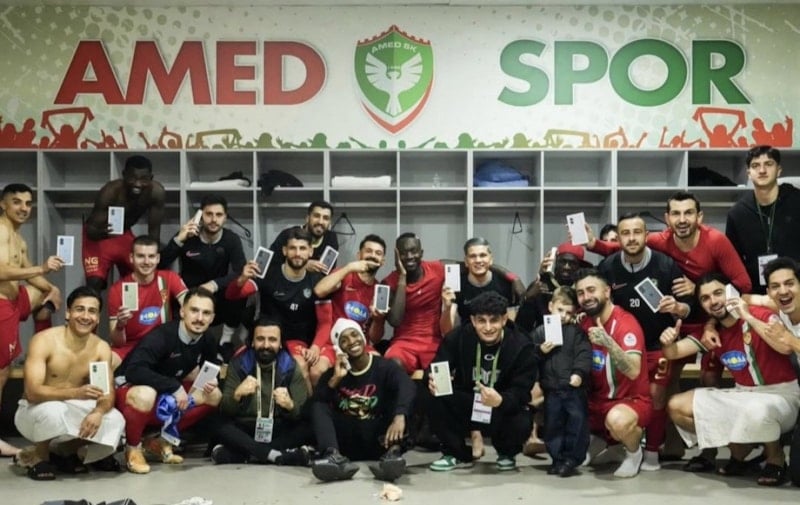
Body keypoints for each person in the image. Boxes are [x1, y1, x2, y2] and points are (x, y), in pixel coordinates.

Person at [661, 272, 800, 486]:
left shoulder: (760, 314)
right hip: (741, 393)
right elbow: (672, 353)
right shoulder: (712, 332)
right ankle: (739, 447)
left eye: (718, 293)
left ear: (731, 292)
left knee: (756, 410)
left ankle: (775, 457)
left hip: (782, 395)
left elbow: (785, 346)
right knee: (676, 405)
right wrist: (667, 342)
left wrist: (748, 317)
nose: (713, 301)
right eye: (705, 298)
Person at [596, 212, 692, 471]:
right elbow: (597, 301)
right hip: (620, 348)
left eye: (637, 232)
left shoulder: (666, 265)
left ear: (646, 235)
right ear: (618, 238)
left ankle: (652, 452)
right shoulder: (607, 267)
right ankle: (621, 446)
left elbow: (689, 306)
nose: (631, 238)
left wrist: (678, 307)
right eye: (625, 233)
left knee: (656, 397)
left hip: (657, 345)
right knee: (618, 396)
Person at [14, 286, 124, 480]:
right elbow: (32, 392)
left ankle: (63, 451)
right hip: (33, 411)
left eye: (92, 311)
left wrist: (98, 412)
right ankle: (40, 457)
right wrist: (76, 393)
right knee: (54, 410)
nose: (85, 316)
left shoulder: (100, 348)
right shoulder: (44, 341)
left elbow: (106, 393)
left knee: (115, 419)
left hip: (72, 406)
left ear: (98, 318)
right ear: (68, 313)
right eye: (79, 309)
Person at [424, 292, 537, 472]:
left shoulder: (522, 345)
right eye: (481, 321)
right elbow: (436, 366)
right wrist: (431, 379)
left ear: (504, 319)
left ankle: (506, 453)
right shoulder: (457, 337)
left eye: (494, 320)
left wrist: (501, 400)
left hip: (499, 405)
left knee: (522, 418)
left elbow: (522, 391)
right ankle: (455, 453)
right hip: (467, 401)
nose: (488, 327)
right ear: (473, 320)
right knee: (434, 396)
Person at [114, 287, 222, 474]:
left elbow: (211, 369)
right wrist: (174, 386)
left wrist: (212, 381)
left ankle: (160, 441)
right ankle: (133, 448)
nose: (199, 318)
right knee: (146, 394)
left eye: (206, 313)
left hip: (164, 394)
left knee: (214, 395)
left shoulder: (208, 339)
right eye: (194, 310)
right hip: (129, 390)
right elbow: (134, 371)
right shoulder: (161, 336)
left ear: (212, 318)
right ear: (182, 312)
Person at [310, 318, 415, 482]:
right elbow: (313, 408)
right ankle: (332, 457)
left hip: (381, 440)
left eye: (354, 334)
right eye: (344, 340)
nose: (352, 341)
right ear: (339, 348)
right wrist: (335, 381)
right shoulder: (332, 375)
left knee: (407, 395)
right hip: (347, 442)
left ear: (362, 336)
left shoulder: (384, 367)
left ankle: (393, 456)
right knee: (319, 404)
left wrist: (400, 416)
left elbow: (407, 386)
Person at [0, 183, 63, 457]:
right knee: (1, 371)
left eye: (28, 203)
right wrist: (43, 267)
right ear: (3, 204)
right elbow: (1, 270)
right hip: (1, 304)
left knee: (43, 294)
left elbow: (29, 274)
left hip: (14, 300)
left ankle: (41, 353)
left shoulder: (18, 238)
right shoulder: (1, 231)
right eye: (17, 202)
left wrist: (51, 288)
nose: (24, 208)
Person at [588, 191, 751, 295]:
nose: (682, 220)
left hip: (712, 314)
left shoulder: (715, 240)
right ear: (667, 218)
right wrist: (594, 243)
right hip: (679, 313)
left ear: (699, 217)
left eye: (688, 213)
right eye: (676, 214)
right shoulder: (662, 240)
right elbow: (628, 245)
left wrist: (700, 290)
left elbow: (744, 285)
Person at [226, 226, 333, 386]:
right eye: (293, 248)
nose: (297, 253)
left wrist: (316, 347)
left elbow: (325, 322)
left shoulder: (318, 281)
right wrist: (242, 279)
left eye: (302, 248)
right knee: (235, 365)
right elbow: (232, 295)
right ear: (284, 250)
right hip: (267, 338)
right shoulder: (267, 273)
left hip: (298, 340)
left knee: (300, 368)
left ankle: (305, 403)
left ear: (310, 252)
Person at [575, 268, 652, 478]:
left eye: (591, 290)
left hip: (629, 400)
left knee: (617, 420)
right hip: (596, 402)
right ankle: (602, 441)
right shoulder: (584, 321)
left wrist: (608, 342)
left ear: (607, 292)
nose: (586, 297)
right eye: (581, 293)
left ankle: (634, 454)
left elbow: (634, 371)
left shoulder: (626, 324)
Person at [210, 318, 313, 466]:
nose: (266, 345)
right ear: (252, 342)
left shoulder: (290, 366)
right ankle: (276, 455)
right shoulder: (238, 364)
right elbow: (225, 410)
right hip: (246, 428)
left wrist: (290, 405)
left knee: (309, 426)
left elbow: (301, 413)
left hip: (277, 428)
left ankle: (248, 454)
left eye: (272, 340)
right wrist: (237, 395)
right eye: (260, 339)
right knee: (217, 422)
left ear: (280, 343)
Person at [159, 194, 248, 360]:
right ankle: (183, 347)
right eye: (209, 214)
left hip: (218, 298)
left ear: (225, 217)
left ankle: (225, 342)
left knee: (241, 288)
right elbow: (160, 264)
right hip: (188, 297)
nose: (213, 219)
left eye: (219, 215)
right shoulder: (188, 236)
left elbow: (240, 271)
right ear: (200, 215)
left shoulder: (231, 239)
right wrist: (179, 239)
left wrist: (214, 284)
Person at [531, 286, 591, 477]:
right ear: (551, 306)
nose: (563, 316)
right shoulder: (540, 333)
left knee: (576, 424)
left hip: (573, 389)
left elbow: (584, 354)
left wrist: (579, 373)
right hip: (551, 389)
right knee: (552, 425)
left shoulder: (577, 333)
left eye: (569, 312)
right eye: (560, 310)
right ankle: (557, 458)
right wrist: (540, 351)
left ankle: (571, 459)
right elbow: (529, 358)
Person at [83, 155, 166, 293]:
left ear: (151, 178)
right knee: (95, 283)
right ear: (124, 175)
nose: (137, 184)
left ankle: (129, 307)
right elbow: (91, 230)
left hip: (123, 234)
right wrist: (104, 233)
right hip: (99, 236)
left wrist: (152, 257)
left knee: (139, 277)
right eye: (133, 178)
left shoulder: (156, 193)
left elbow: (154, 233)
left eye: (143, 179)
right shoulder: (111, 191)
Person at [726, 146, 800, 294]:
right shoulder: (737, 213)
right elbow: (733, 262)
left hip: (796, 289)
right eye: (755, 165)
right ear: (748, 173)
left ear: (779, 170)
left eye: (768, 164)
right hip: (758, 293)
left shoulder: (796, 201)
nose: (762, 170)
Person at [107, 235, 188, 364]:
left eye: (151, 256)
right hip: (130, 346)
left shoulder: (169, 278)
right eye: (140, 256)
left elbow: (191, 305)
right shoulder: (117, 289)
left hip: (161, 345)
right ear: (131, 258)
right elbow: (118, 343)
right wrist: (120, 325)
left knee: (191, 367)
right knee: (107, 363)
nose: (146, 262)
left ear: (158, 258)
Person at [372, 233, 445, 374]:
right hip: (404, 343)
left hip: (433, 342)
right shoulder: (388, 283)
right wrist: (402, 277)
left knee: (443, 375)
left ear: (421, 253)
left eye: (413, 251)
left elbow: (470, 264)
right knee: (391, 366)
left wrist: (495, 268)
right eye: (404, 253)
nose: (409, 256)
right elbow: (395, 320)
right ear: (397, 256)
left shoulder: (437, 269)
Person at [440, 237, 525, 335]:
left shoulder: (506, 283)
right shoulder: (456, 283)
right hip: (467, 337)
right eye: (473, 256)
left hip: (497, 337)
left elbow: (510, 327)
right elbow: (447, 332)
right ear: (466, 261)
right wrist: (447, 308)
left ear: (491, 259)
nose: (478, 260)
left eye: (483, 255)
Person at [313, 233, 386, 337]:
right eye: (368, 251)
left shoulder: (380, 292)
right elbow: (319, 291)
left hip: (360, 343)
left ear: (382, 261)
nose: (373, 256)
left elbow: (375, 339)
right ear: (359, 255)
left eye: (378, 253)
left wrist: (378, 320)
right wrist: (349, 268)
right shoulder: (343, 273)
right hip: (335, 340)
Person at [516, 242, 592, 334]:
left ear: (579, 266)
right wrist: (528, 298)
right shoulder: (540, 286)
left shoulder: (583, 291)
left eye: (572, 263)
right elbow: (521, 328)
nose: (566, 267)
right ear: (556, 262)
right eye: (562, 262)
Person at [269, 200, 338, 274]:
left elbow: (328, 271)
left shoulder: (331, 238)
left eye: (326, 218)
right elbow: (270, 266)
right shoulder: (288, 235)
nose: (320, 222)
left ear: (329, 222)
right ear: (307, 218)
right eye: (316, 216)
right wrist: (302, 265)